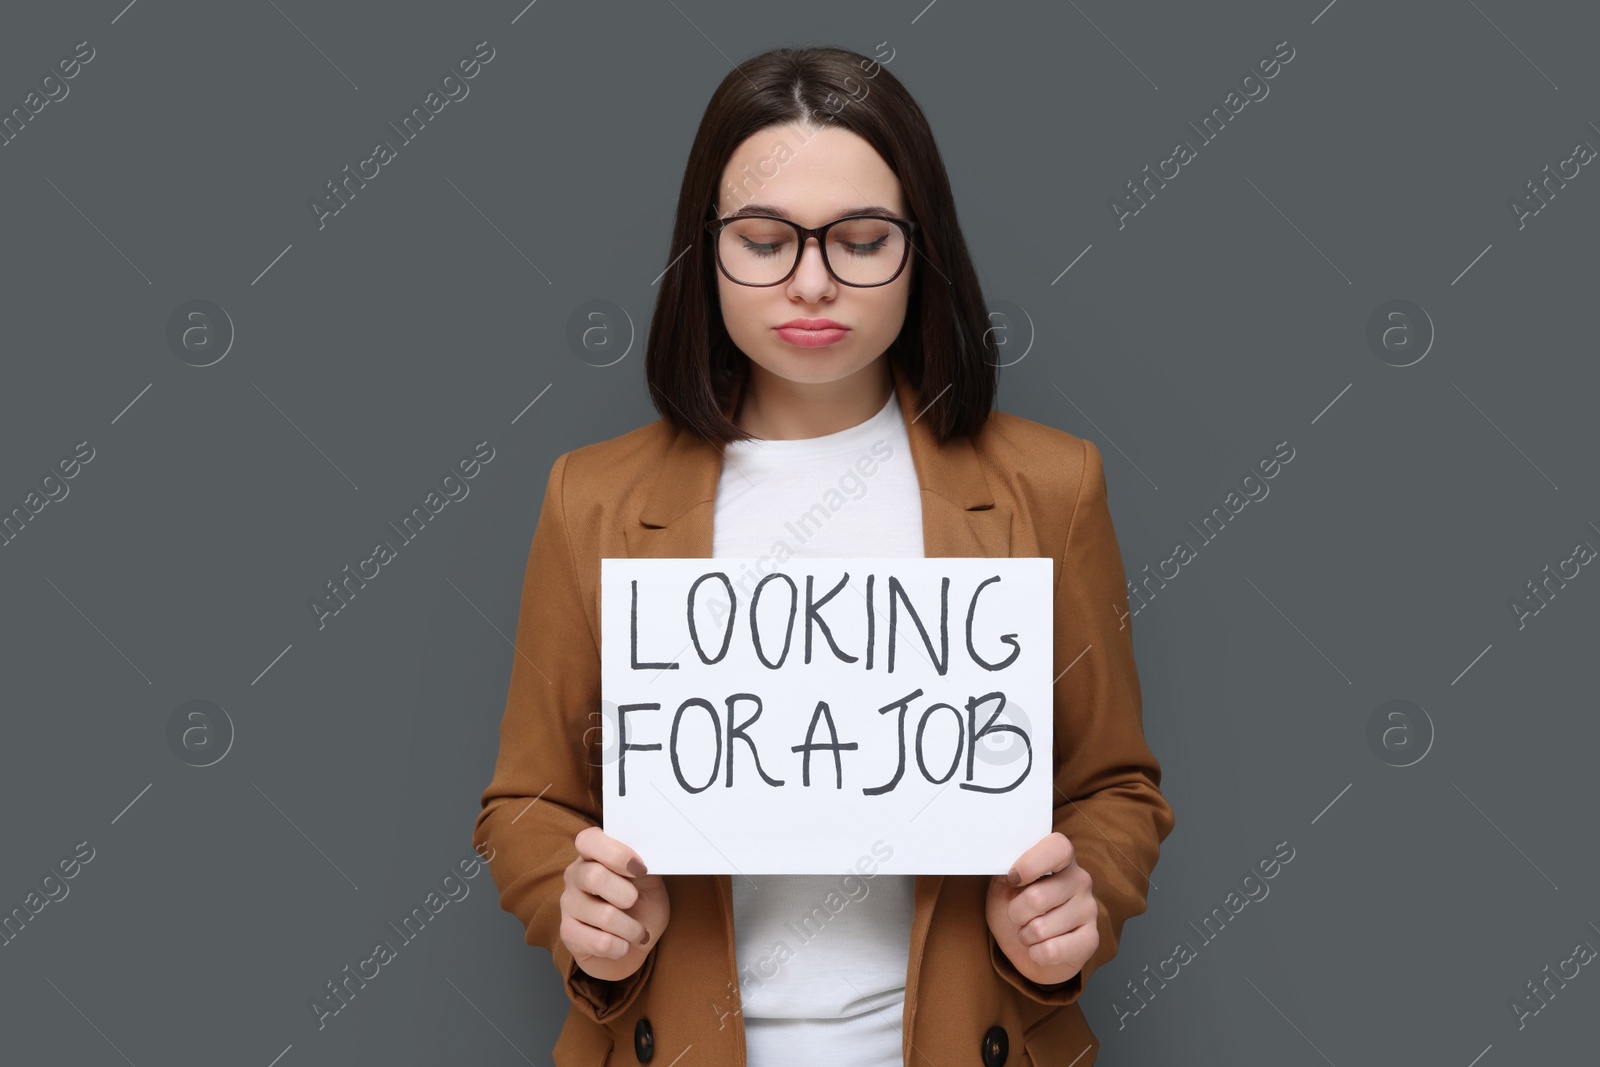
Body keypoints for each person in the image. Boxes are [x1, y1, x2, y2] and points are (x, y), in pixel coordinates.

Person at [473, 45, 1175, 1067]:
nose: (811, 280)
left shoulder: (1050, 487)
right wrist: (574, 903)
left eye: (858, 239)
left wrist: (1078, 903)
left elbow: (1115, 786)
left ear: (919, 247)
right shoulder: (594, 499)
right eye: (763, 240)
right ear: (706, 251)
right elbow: (527, 802)